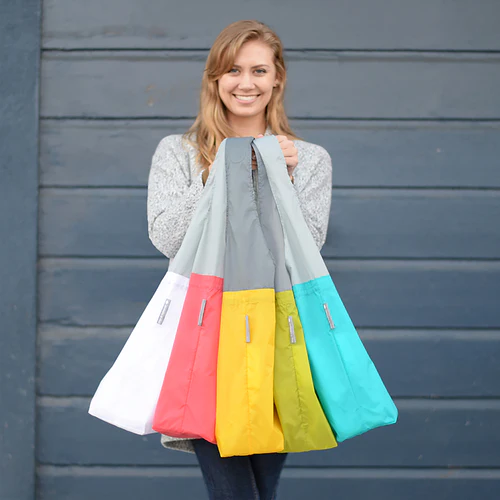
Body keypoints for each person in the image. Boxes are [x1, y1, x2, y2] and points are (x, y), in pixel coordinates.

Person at [146, 19, 332, 500]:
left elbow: (306, 248)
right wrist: (222, 173)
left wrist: (280, 178)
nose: (245, 83)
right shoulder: (179, 153)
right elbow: (167, 238)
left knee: (261, 489)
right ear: (215, 80)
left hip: (279, 333)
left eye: (258, 70)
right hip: (208, 334)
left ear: (277, 79)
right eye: (232, 70)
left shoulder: (308, 159)